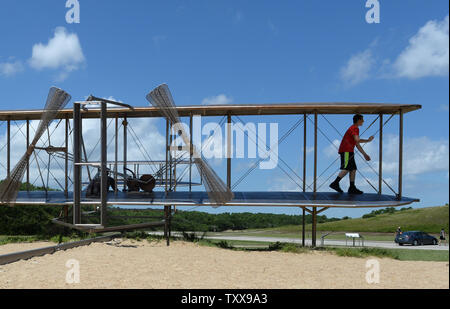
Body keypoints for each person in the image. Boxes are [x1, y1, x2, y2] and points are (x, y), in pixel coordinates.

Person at [329, 114, 374, 195]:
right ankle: (335, 183)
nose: (363, 121)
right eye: (362, 119)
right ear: (358, 120)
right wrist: (368, 140)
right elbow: (357, 140)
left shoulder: (354, 128)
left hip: (349, 151)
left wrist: (364, 154)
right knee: (346, 168)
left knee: (353, 169)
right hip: (346, 150)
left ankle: (352, 187)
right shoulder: (354, 128)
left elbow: (357, 144)